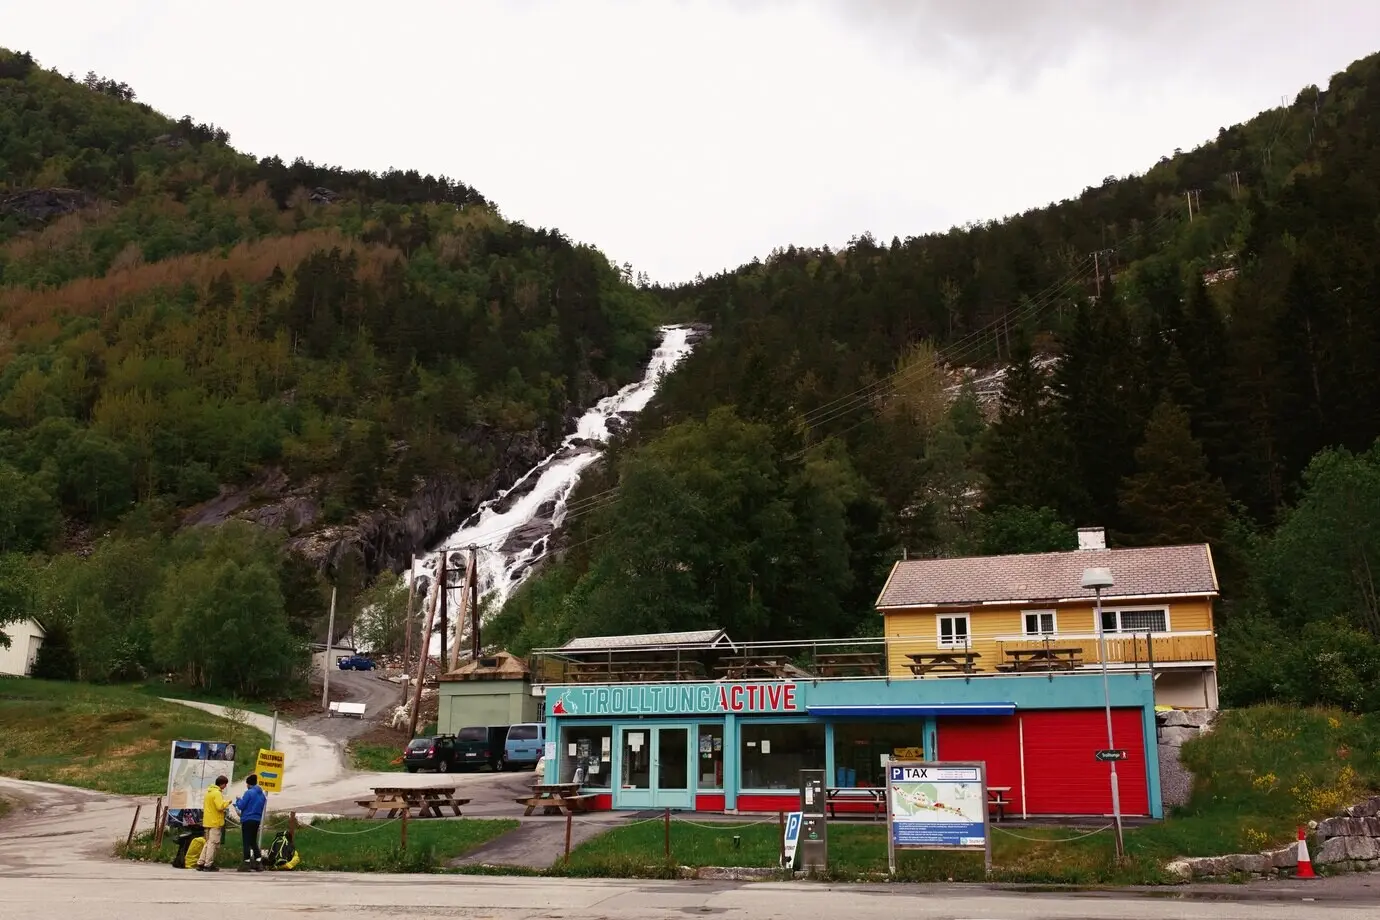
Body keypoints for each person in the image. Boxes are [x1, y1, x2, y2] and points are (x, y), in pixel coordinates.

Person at [195, 775, 232, 872]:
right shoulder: (217, 793)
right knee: (213, 844)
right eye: (225, 784)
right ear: (222, 784)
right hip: (215, 821)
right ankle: (208, 864)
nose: (225, 786)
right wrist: (227, 802)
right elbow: (220, 806)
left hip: (207, 821)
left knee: (207, 843)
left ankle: (200, 863)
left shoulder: (209, 792)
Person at [234, 774, 268, 872]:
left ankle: (246, 863)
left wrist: (238, 800)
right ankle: (258, 862)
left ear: (248, 784)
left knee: (246, 842)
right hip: (257, 819)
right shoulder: (262, 795)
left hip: (247, 819)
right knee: (253, 841)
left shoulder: (248, 793)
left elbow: (241, 806)